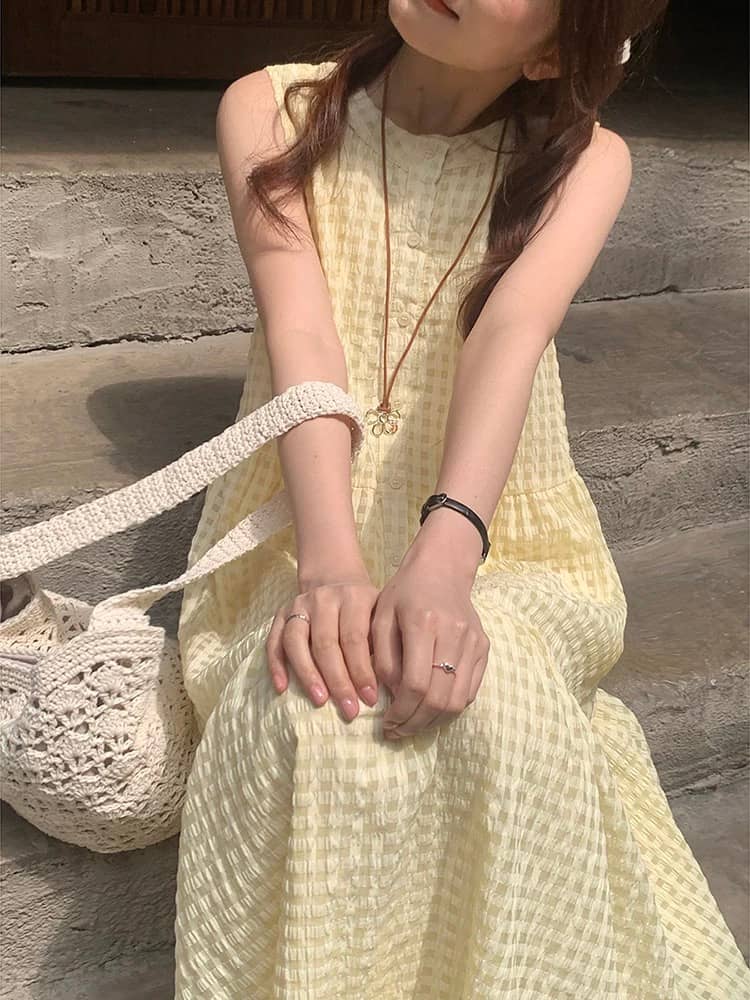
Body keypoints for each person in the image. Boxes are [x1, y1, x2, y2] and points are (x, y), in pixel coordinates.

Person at [173, 1, 750, 996]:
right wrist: (331, 562)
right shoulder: (270, 109)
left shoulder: (587, 162)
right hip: (303, 516)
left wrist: (448, 556)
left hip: (503, 526)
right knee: (319, 710)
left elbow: (508, 333)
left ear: (551, 52)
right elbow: (303, 335)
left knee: (496, 697)